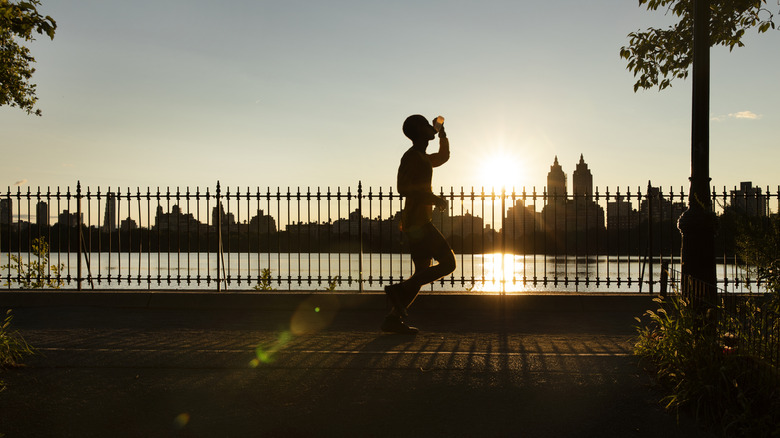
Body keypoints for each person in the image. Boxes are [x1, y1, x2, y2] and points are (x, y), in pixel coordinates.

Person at [382, 114, 457, 335]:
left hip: (420, 222)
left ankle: (392, 319)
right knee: (449, 264)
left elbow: (444, 156)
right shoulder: (412, 157)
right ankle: (399, 290)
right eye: (426, 125)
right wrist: (433, 199)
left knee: (422, 272)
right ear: (418, 132)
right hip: (418, 224)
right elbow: (402, 187)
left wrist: (442, 133)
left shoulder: (423, 157)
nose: (429, 128)